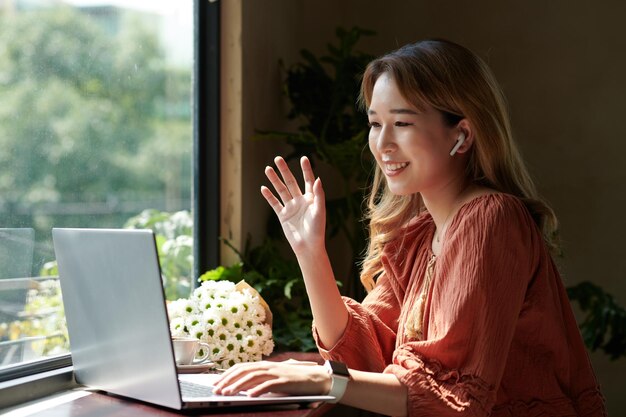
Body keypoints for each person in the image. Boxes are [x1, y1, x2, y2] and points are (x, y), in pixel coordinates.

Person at [213, 39, 607, 416]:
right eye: (374, 123)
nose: (382, 144)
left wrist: (321, 379)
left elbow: (453, 398)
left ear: (462, 134)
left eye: (401, 123)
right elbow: (365, 355)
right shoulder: (419, 236)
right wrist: (310, 252)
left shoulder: (490, 218)